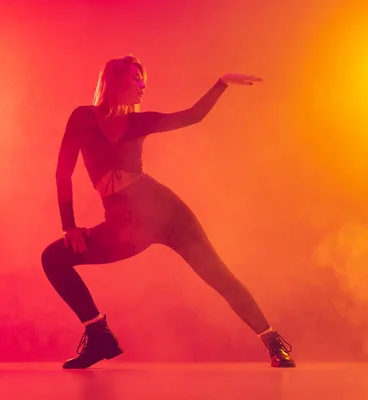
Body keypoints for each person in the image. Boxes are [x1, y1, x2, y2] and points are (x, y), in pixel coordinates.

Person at [41, 55, 296, 369]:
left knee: (216, 274)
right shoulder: (83, 118)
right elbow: (62, 172)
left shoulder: (139, 121)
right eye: (136, 78)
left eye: (143, 78)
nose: (143, 85)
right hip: (124, 226)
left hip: (164, 211)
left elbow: (193, 116)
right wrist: (70, 225)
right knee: (54, 258)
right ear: (115, 81)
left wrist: (221, 83)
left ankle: (272, 341)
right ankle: (99, 336)